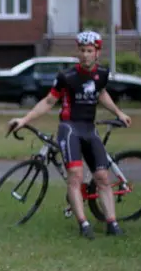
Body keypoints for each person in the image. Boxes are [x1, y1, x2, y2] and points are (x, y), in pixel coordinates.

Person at [8, 30, 132, 239]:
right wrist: (24, 120)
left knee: (102, 176)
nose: (85, 55)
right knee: (75, 176)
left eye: (89, 51)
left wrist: (119, 112)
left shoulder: (101, 74)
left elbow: (101, 93)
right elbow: (48, 101)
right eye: (82, 50)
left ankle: (112, 222)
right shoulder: (67, 77)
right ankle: (83, 224)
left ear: (97, 53)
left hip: (89, 129)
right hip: (69, 129)